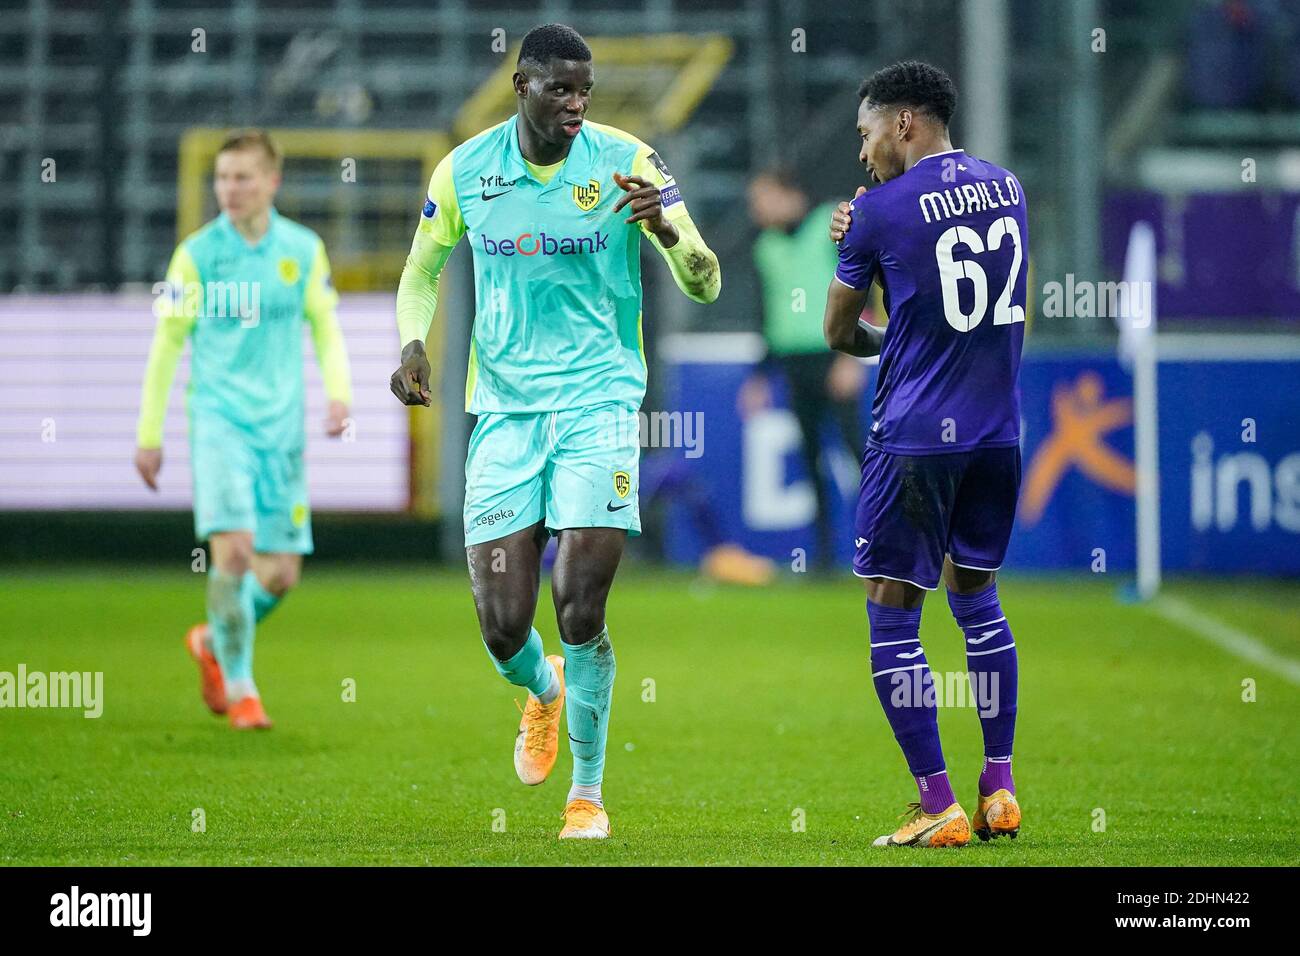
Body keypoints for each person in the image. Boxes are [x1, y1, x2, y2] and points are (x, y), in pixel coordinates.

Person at [388, 23, 720, 840]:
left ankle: (589, 795)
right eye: (561, 88)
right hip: (502, 411)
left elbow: (706, 281)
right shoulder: (466, 170)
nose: (576, 103)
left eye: (586, 90)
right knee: (504, 627)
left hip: (601, 407)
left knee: (579, 604)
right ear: (522, 85)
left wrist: (670, 234)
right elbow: (422, 268)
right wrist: (411, 342)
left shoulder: (629, 161)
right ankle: (542, 691)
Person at [823, 61, 1026, 847]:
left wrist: (864, 247)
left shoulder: (878, 210)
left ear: (904, 122)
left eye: (867, 131)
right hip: (997, 432)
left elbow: (840, 334)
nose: (864, 150)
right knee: (978, 600)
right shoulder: (1008, 186)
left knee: (892, 616)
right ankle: (999, 785)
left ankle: (937, 802)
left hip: (914, 438)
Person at [135, 129, 352, 730]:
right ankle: (242, 687)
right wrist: (149, 432)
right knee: (232, 552)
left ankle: (212, 640)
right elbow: (167, 345)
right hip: (219, 424)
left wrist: (340, 395)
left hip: (280, 431)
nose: (229, 189)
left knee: (279, 574)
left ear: (271, 182)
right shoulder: (198, 255)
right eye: (222, 178)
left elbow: (325, 327)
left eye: (242, 177)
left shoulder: (303, 250)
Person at [741, 169, 865, 569]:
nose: (756, 209)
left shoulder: (830, 223)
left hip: (834, 356)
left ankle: (890, 547)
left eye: (762, 198)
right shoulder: (766, 247)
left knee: (859, 455)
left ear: (788, 194)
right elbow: (769, 314)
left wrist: (852, 357)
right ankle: (825, 556)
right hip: (794, 364)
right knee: (810, 459)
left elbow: (864, 285)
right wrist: (760, 376)